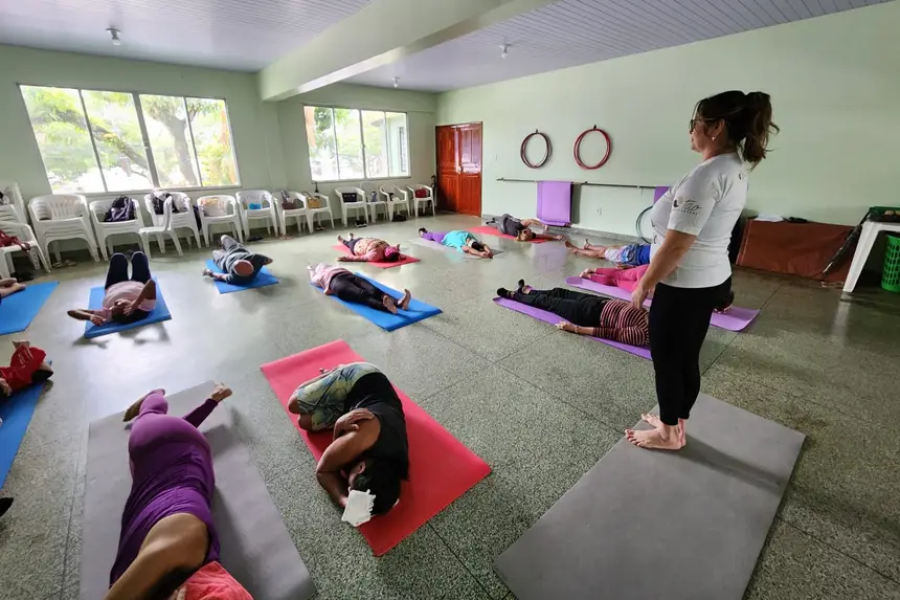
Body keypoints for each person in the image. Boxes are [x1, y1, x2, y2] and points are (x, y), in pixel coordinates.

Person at [626, 90, 778, 451]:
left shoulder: (707, 176)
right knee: (685, 355)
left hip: (684, 283)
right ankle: (675, 420)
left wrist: (645, 283)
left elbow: (677, 245)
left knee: (666, 358)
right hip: (709, 278)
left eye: (694, 124)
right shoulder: (733, 168)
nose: (690, 131)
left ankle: (667, 435)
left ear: (716, 127)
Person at [105, 384, 251, 600]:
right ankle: (154, 395)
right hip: (171, 458)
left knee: (166, 427)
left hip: (183, 461)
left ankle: (210, 400)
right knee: (151, 416)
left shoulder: (179, 559)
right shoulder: (180, 550)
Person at [288, 362, 408, 517]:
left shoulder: (393, 470)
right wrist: (343, 497)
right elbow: (323, 470)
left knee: (304, 422)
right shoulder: (359, 438)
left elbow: (392, 501)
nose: (347, 487)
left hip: (357, 406)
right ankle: (335, 372)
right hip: (361, 378)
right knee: (293, 404)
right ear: (361, 468)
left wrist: (346, 501)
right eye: (349, 485)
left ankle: (334, 399)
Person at [497, 280, 648, 346]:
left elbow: (607, 333)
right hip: (599, 301)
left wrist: (575, 329)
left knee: (546, 301)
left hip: (589, 314)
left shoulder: (642, 335)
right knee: (559, 291)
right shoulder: (652, 315)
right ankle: (526, 291)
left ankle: (513, 295)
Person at [578, 264, 735, 312]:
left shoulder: (702, 280)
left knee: (621, 273)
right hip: (645, 286)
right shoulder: (695, 299)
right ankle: (588, 276)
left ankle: (593, 269)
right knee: (615, 281)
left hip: (649, 271)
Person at [66, 252, 156, 327]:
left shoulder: (109, 314)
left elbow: (72, 312)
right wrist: (136, 302)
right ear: (130, 308)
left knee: (118, 258)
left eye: (113, 307)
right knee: (139, 256)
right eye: (120, 304)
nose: (115, 304)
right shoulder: (146, 306)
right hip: (139, 283)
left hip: (114, 285)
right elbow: (151, 283)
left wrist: (90, 316)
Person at [309, 263, 411, 314]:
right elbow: (321, 285)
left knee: (373, 290)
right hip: (336, 282)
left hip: (350, 276)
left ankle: (399, 303)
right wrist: (311, 269)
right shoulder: (318, 276)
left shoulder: (335, 267)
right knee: (362, 295)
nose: (322, 266)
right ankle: (388, 308)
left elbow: (326, 291)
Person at [202, 234, 272, 285]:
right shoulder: (255, 258)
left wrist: (210, 273)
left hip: (224, 260)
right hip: (237, 249)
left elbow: (221, 276)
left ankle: (223, 249)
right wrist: (263, 261)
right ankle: (223, 247)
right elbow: (270, 260)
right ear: (250, 263)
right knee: (224, 237)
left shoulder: (235, 279)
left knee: (214, 252)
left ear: (235, 272)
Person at [0, 340, 53, 404]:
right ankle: (21, 350)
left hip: (9, 380)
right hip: (9, 380)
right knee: (16, 370)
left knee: (48, 371)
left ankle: (23, 351)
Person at [417, 228, 493, 258]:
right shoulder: (471, 237)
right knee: (434, 234)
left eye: (469, 241)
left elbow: (469, 249)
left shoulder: (461, 243)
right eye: (469, 240)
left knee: (432, 235)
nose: (469, 240)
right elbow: (483, 245)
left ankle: (423, 234)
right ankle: (425, 233)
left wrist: (479, 254)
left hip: (444, 238)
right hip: (449, 233)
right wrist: (489, 251)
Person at [566, 240, 651, 266]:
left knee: (602, 253)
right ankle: (588, 246)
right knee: (608, 249)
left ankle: (577, 250)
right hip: (634, 249)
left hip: (631, 256)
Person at [486, 214, 564, 242]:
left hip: (504, 224)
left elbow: (530, 220)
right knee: (496, 222)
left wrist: (543, 225)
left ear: (525, 232)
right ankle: (491, 222)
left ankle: (490, 223)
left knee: (496, 224)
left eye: (530, 231)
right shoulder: (523, 234)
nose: (531, 230)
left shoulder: (519, 227)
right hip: (505, 221)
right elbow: (542, 236)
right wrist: (555, 237)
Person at [337, 233, 403, 263]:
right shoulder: (388, 247)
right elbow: (394, 249)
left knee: (348, 243)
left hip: (356, 246)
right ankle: (351, 238)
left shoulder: (375, 255)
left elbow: (361, 258)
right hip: (364, 240)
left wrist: (345, 258)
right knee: (355, 239)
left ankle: (341, 240)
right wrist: (397, 247)